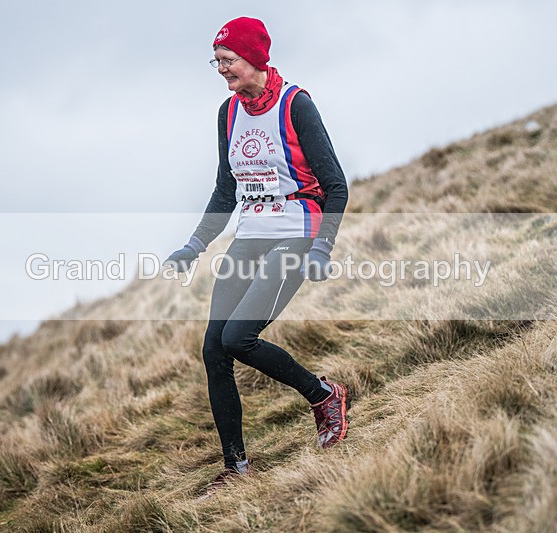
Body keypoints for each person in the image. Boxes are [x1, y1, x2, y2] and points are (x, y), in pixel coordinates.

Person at [164, 16, 350, 492]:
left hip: (296, 233)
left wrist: (323, 246)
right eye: (217, 61)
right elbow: (225, 192)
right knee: (213, 349)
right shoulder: (228, 114)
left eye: (229, 60)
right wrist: (195, 244)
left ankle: (324, 395)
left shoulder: (296, 105)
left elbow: (335, 185)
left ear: (255, 59)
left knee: (238, 337)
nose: (222, 69)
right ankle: (237, 468)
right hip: (250, 235)